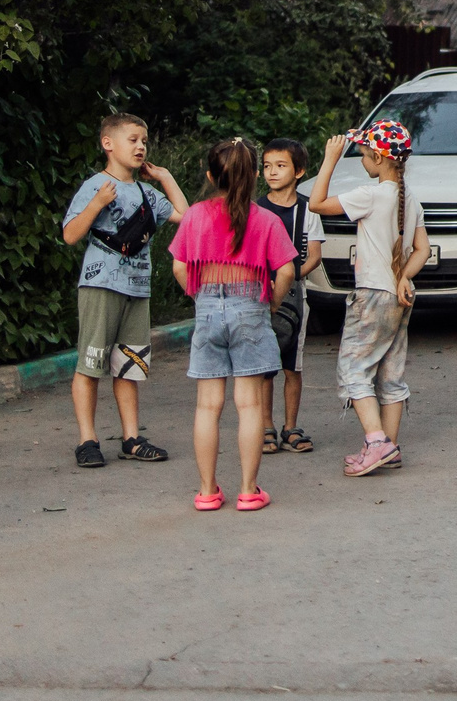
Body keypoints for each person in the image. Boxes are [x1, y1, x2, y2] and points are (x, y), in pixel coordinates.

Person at [166, 137, 301, 511]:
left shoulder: (194, 215)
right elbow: (286, 270)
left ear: (211, 176)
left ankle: (208, 491)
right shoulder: (266, 219)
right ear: (255, 175)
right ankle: (248, 489)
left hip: (208, 309)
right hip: (251, 309)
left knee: (208, 407)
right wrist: (271, 301)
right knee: (249, 405)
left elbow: (179, 265)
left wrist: (200, 297)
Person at [60, 112, 189, 469]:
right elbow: (70, 235)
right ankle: (88, 440)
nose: (140, 146)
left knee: (129, 365)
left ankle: (131, 438)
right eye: (132, 139)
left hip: (137, 288)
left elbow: (186, 216)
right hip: (101, 284)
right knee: (90, 364)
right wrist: (98, 204)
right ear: (108, 144)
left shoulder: (147, 192)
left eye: (144, 141)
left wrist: (164, 176)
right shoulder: (95, 186)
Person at [312, 121, 427, 478]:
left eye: (363, 154)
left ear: (378, 157)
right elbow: (422, 249)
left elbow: (316, 204)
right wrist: (404, 277)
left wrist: (330, 159)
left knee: (353, 370)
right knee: (390, 374)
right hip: (398, 294)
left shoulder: (371, 195)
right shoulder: (411, 198)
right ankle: (389, 448)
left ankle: (377, 442)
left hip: (371, 294)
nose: (362, 159)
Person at [256, 138, 324, 456]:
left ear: (299, 171)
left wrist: (292, 276)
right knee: (264, 365)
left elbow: (314, 255)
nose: (272, 172)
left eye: (280, 166)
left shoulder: (307, 209)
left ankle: (290, 426)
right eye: (267, 166)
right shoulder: (255, 208)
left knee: (292, 365)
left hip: (296, 295)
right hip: (259, 294)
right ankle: (266, 426)